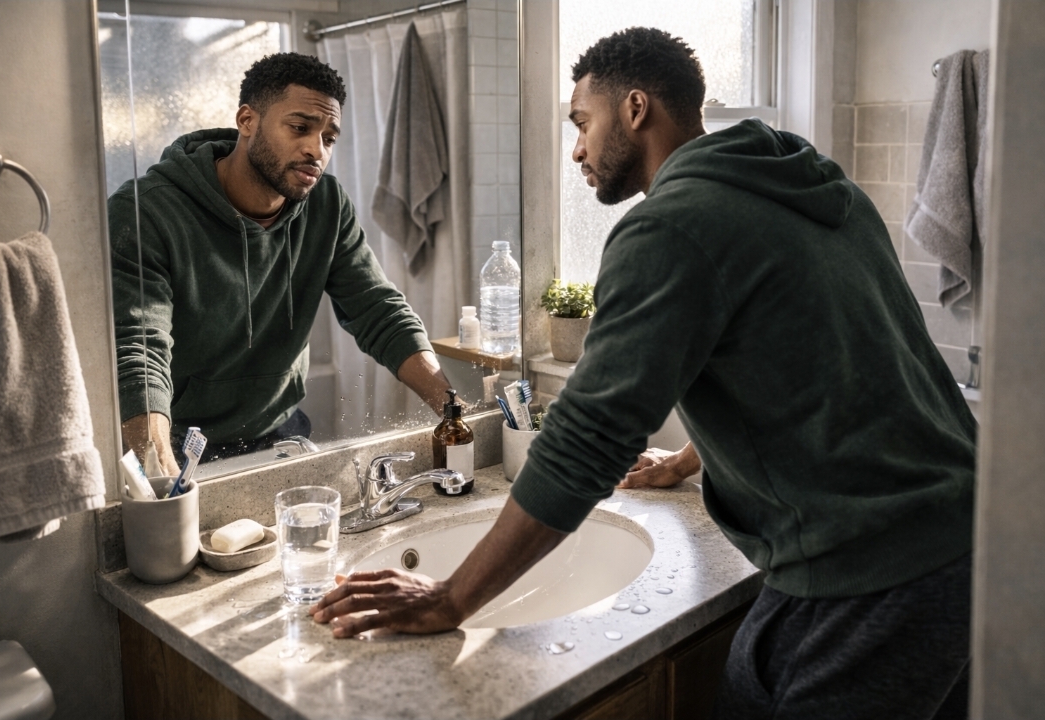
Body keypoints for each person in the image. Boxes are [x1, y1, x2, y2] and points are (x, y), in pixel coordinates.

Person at [310, 28, 976, 719]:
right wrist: (692, 459)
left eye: (581, 123)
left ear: (633, 109)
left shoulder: (671, 227)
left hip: (874, 571)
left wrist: (452, 597)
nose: (577, 150)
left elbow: (585, 443)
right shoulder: (817, 187)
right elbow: (830, 360)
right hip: (965, 541)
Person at [110, 53, 454, 475]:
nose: (316, 149)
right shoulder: (146, 211)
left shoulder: (326, 204)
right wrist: (158, 470)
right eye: (300, 127)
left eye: (329, 137)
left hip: (281, 431)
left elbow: (378, 310)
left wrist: (452, 411)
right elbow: (139, 349)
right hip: (178, 443)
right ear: (247, 120)